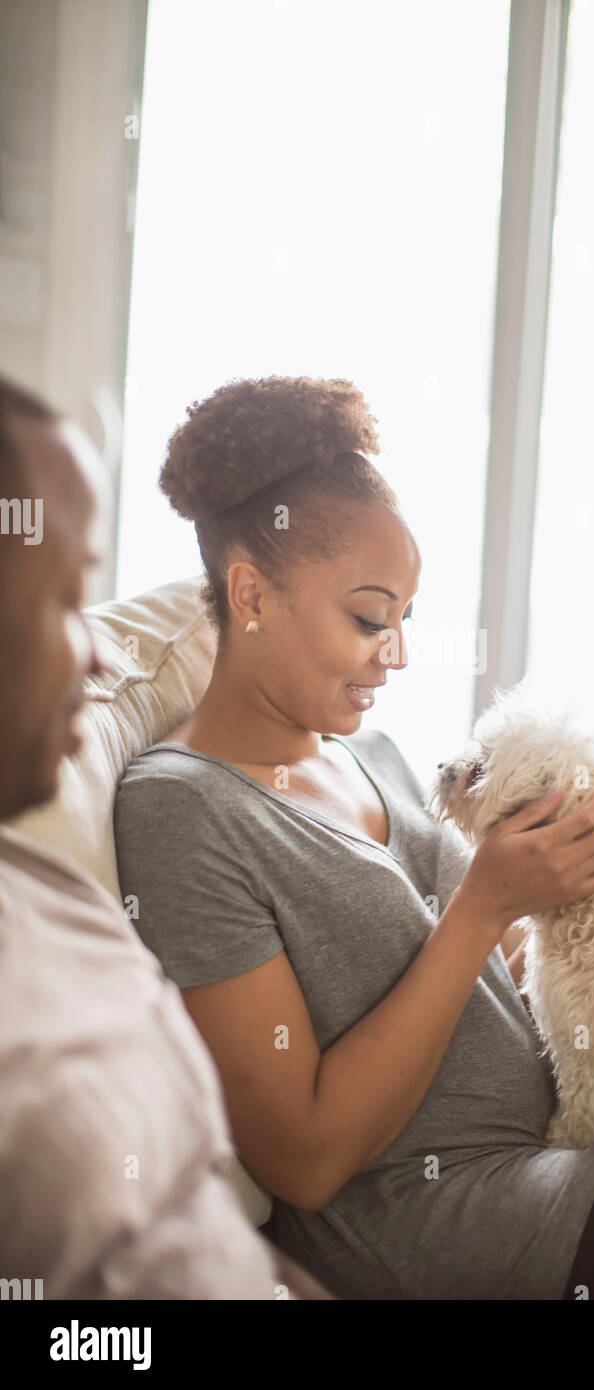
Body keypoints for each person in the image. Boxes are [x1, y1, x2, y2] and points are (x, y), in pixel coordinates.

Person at [113, 374, 594, 1301]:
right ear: (250, 592)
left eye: (406, 619)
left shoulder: (372, 753)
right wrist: (482, 903)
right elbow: (305, 1160)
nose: (398, 655)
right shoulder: (182, 809)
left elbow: (511, 979)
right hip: (456, 1217)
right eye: (370, 619)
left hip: (577, 1140)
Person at [0, 373, 332, 1299]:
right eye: (63, 601)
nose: (103, 654)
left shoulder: (47, 884)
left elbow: (197, 1217)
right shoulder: (180, 808)